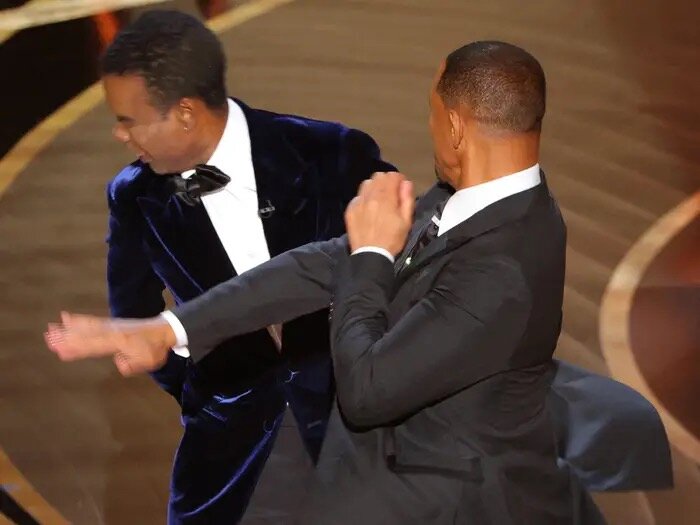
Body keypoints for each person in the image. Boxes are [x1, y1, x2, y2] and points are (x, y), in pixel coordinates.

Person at [47, 42, 673, 522]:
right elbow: (321, 264)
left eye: (433, 113)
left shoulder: (504, 268)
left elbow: (368, 389)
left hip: (448, 501)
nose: (430, 127)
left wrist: (372, 254)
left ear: (456, 126)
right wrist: (170, 328)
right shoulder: (466, 199)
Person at [93, 9, 395, 524]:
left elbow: (406, 267)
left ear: (184, 113)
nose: (120, 134)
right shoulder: (134, 196)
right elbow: (134, 314)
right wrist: (207, 389)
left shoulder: (331, 153)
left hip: (358, 436)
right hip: (232, 456)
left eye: (128, 119)